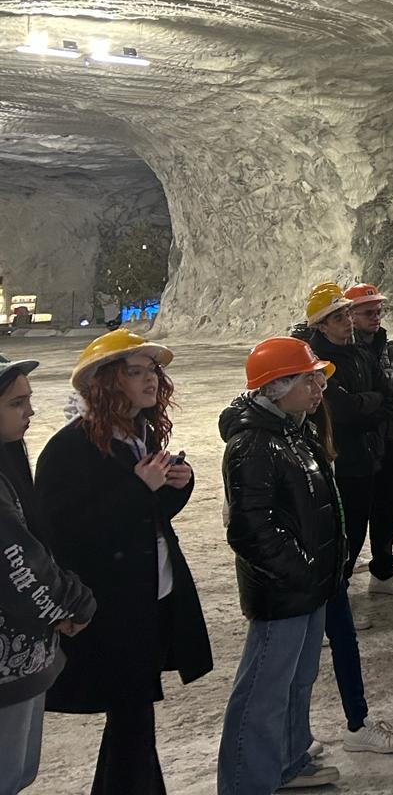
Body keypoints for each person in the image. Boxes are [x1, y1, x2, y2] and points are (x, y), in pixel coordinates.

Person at [35, 330, 212, 795]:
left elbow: (146, 518)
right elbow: (66, 533)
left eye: (152, 370)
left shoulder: (139, 434)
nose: (151, 379)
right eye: (136, 371)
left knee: (133, 718)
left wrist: (177, 485)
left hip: (151, 592)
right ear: (106, 382)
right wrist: (141, 487)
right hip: (112, 606)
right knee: (132, 715)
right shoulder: (68, 449)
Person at [217, 338, 345, 793]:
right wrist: (300, 570)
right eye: (309, 379)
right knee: (262, 693)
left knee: (297, 681)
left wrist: (318, 572)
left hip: (308, 584)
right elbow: (251, 529)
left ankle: (290, 761)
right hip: (284, 590)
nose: (319, 388)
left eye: (318, 378)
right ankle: (244, 783)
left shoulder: (294, 429)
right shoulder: (253, 443)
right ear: (276, 386)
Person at [0, 353, 97, 795]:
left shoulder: (9, 462)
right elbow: (16, 559)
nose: (31, 412)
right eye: (18, 403)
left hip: (23, 656)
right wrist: (69, 605)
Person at [303, 285, 391, 627]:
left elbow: (386, 396)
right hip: (338, 458)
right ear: (322, 325)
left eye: (346, 315)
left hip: (365, 456)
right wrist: (368, 404)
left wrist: (366, 403)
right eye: (338, 317)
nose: (347, 322)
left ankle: (337, 601)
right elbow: (342, 411)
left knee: (355, 530)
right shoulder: (317, 362)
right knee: (338, 535)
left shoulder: (358, 353)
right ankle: (330, 608)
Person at [344, 283, 393, 597]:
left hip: (389, 438)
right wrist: (383, 393)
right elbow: (349, 400)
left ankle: (383, 570)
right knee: (354, 512)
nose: (376, 318)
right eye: (368, 312)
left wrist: (380, 393)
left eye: (378, 311)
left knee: (388, 507)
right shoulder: (344, 351)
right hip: (358, 442)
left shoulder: (388, 346)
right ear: (350, 315)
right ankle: (341, 579)